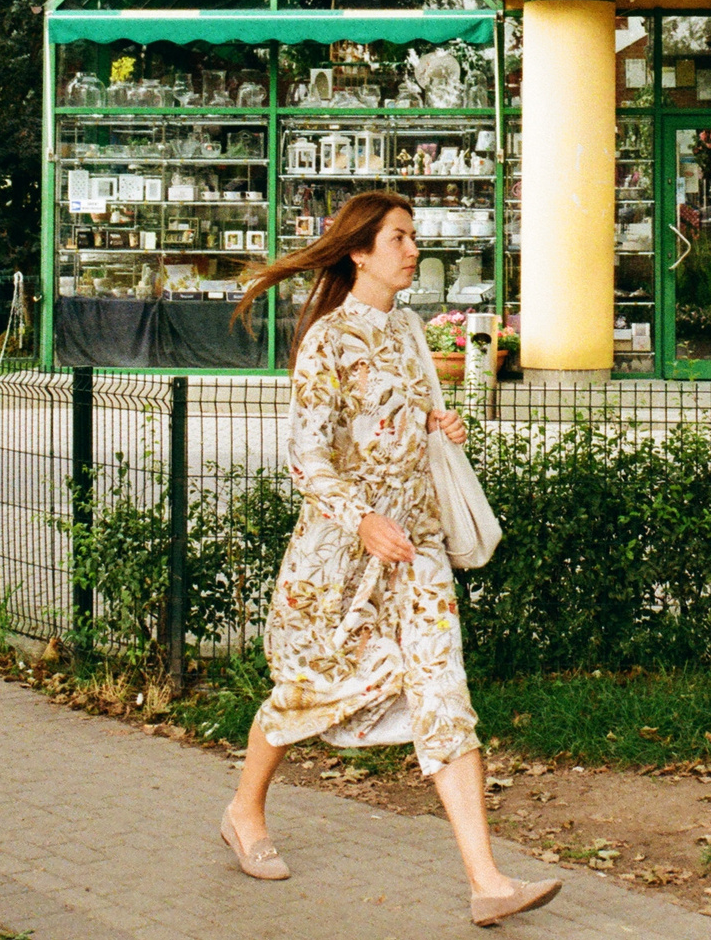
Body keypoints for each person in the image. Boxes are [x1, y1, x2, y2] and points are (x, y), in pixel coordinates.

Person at [218, 190, 558, 928]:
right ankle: (244, 810)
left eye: (414, 237)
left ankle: (487, 880)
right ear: (359, 251)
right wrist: (362, 518)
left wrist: (441, 421)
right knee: (308, 688)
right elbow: (306, 458)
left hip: (419, 547)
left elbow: (405, 417)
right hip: (342, 555)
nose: (413, 249)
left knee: (443, 690)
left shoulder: (407, 330)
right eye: (400, 237)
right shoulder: (328, 341)